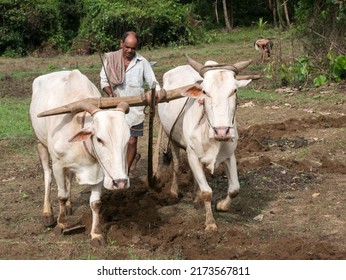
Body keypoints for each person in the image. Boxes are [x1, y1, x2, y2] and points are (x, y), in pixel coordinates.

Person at [100, 31, 161, 173]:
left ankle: (125, 173)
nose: (130, 51)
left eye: (133, 48)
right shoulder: (110, 59)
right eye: (127, 47)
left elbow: (153, 82)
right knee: (116, 142)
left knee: (132, 141)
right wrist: (110, 93)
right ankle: (124, 162)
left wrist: (156, 93)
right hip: (115, 108)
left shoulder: (142, 62)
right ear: (121, 44)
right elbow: (103, 81)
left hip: (135, 110)